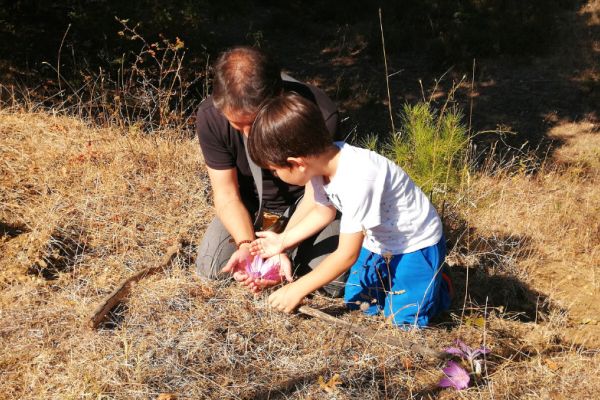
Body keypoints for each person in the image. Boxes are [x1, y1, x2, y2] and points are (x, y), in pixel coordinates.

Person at [247, 92, 452, 327]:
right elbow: (324, 211)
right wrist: (283, 241)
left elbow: (346, 255)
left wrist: (297, 289)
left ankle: (440, 285)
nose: (275, 175)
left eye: (274, 170)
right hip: (380, 242)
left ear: (297, 163)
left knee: (403, 320)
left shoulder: (358, 178)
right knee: (360, 304)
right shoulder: (320, 165)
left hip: (415, 244)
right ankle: (414, 282)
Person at [195, 46, 346, 295]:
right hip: (252, 205)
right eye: (237, 124)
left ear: (278, 95)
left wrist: (280, 247)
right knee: (212, 266)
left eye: (253, 122)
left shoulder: (317, 114)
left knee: (333, 283)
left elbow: (315, 197)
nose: (247, 134)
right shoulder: (210, 116)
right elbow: (226, 194)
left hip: (308, 205)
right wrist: (246, 245)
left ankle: (293, 257)